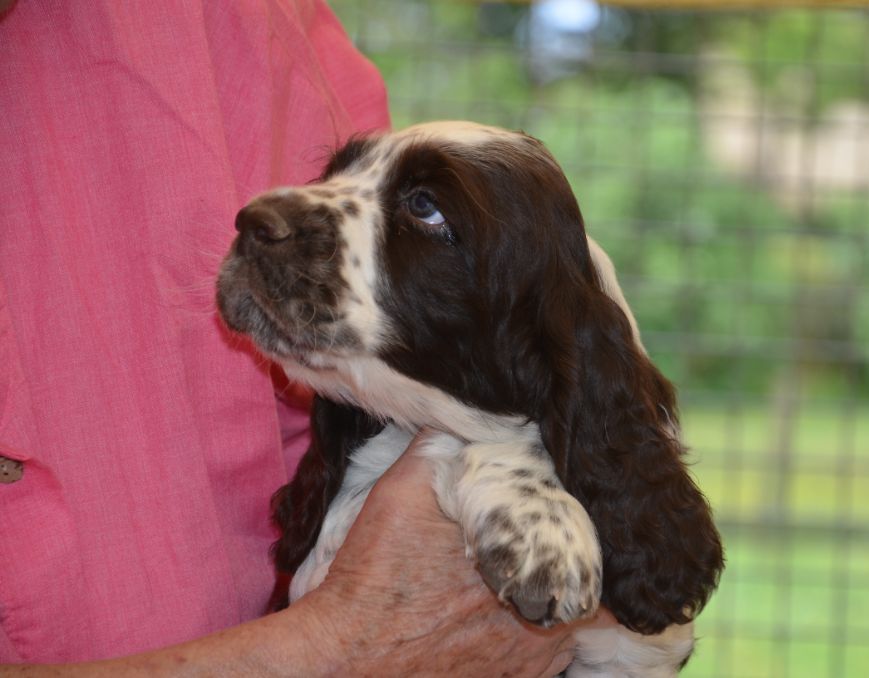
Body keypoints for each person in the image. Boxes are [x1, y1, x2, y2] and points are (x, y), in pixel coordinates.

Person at [0, 1, 605, 673]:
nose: (268, 215)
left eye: (423, 208)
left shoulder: (258, 23)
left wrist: (515, 463)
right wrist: (335, 647)